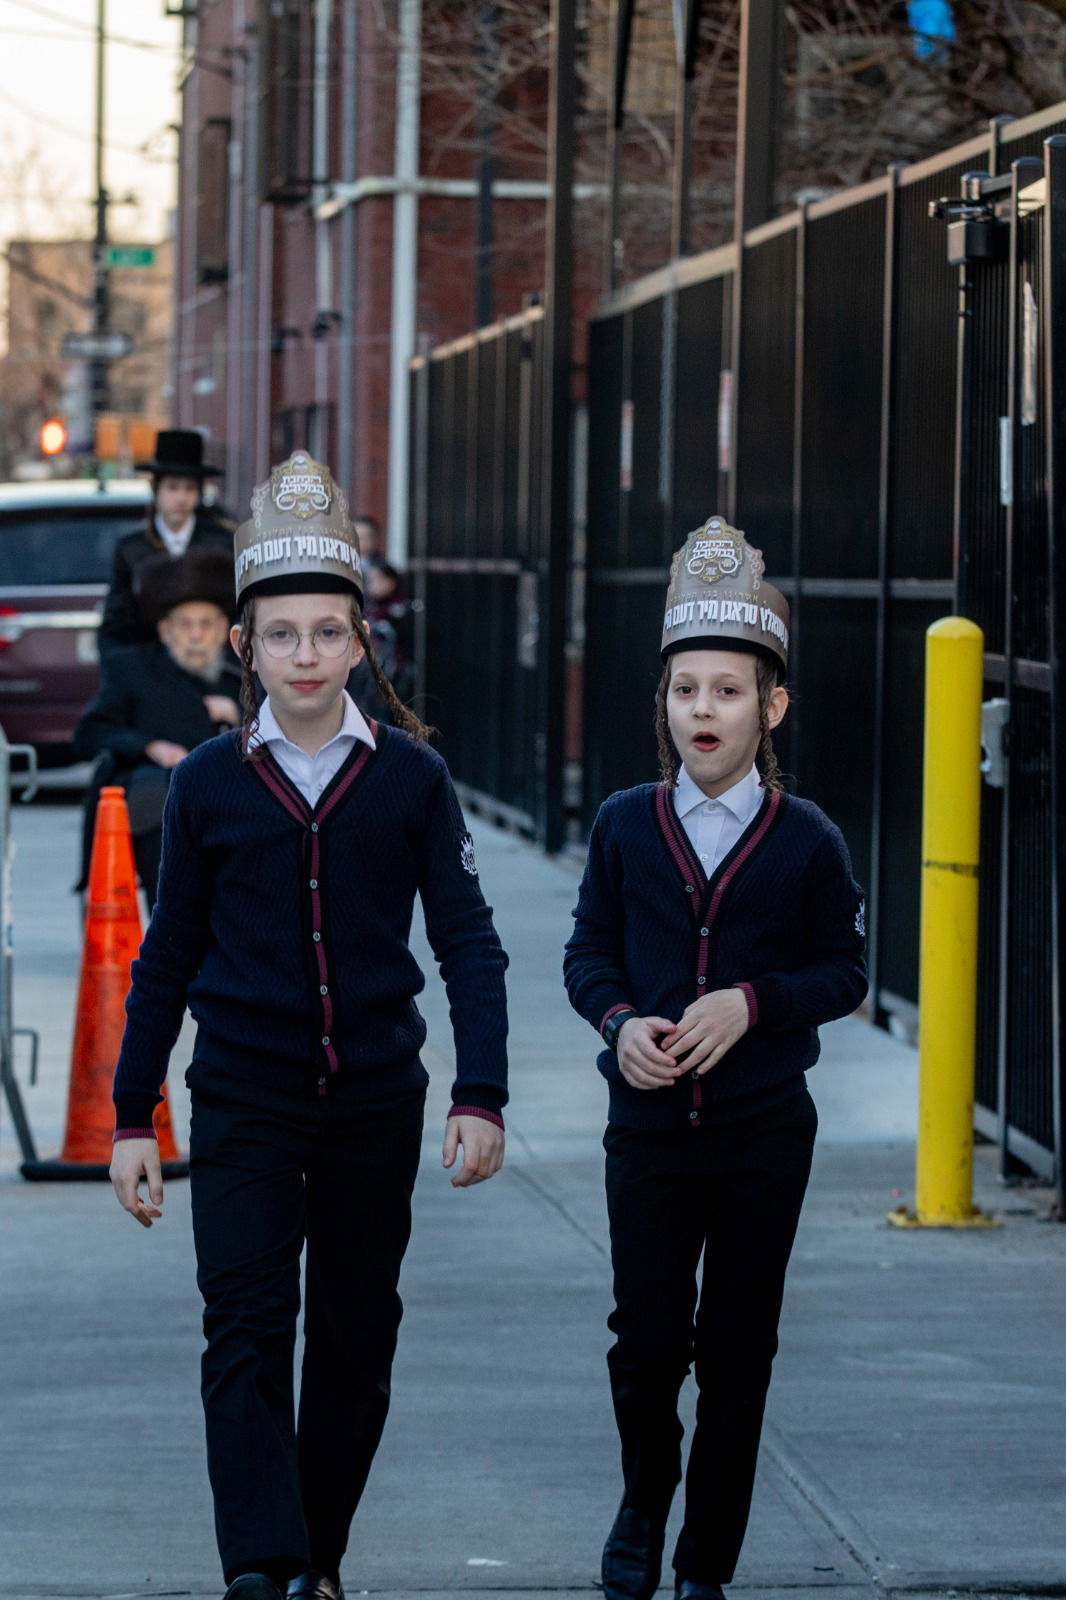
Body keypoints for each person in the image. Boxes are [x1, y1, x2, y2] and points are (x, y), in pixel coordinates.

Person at [108, 451, 509, 1600]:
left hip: (375, 1099)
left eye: (327, 634)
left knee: (352, 1336)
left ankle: (318, 1553)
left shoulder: (413, 781)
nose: (304, 657)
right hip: (240, 1094)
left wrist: (480, 1092)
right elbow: (169, 953)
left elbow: (468, 942)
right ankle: (262, 1566)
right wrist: (134, 1111)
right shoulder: (209, 788)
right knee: (242, 1321)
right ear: (244, 645)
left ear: (356, 643)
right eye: (280, 635)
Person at [563, 516, 867, 1600]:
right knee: (645, 1345)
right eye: (685, 688)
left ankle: (705, 1563)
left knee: (739, 1351)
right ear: (663, 701)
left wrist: (753, 1002)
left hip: (760, 1136)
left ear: (769, 706)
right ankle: (644, 1499)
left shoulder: (807, 840)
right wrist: (618, 1025)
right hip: (646, 1133)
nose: (704, 709)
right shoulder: (622, 824)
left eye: (728, 691)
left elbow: (843, 972)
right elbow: (587, 952)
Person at [74, 548, 240, 908]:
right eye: (185, 624)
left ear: (225, 631)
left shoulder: (243, 676)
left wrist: (240, 715)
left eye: (207, 624)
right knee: (155, 794)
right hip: (153, 797)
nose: (196, 636)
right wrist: (150, 746)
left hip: (229, 795)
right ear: (165, 631)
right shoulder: (133, 668)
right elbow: (90, 733)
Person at [99, 428, 233, 660]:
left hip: (211, 668)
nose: (181, 498)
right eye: (172, 487)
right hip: (148, 668)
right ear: (155, 489)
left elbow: (234, 615)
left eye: (189, 488)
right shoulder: (131, 549)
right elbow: (116, 624)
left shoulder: (221, 544)